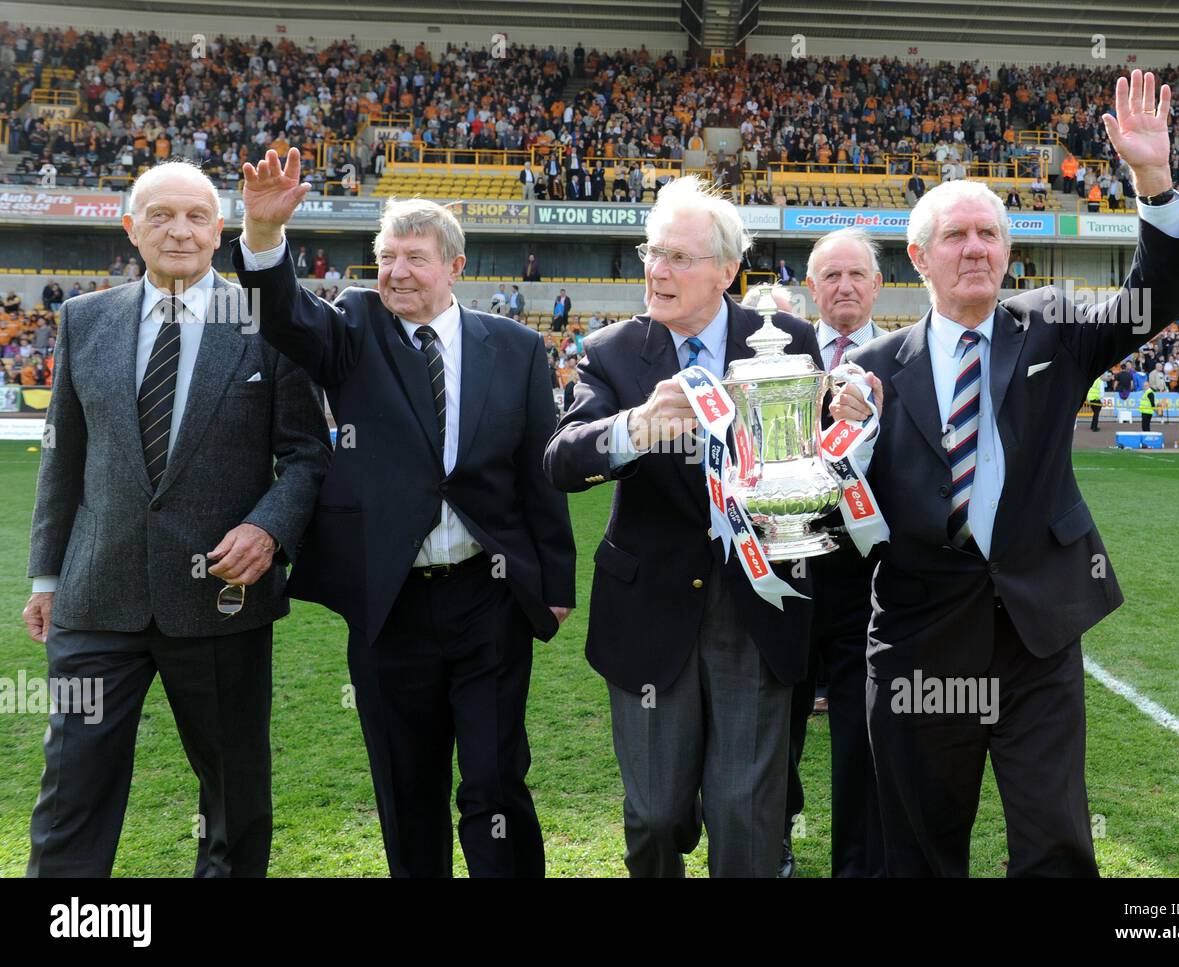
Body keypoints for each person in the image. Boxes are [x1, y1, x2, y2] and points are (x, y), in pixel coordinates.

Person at [835, 70, 1179, 877]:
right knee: (921, 853)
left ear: (1008, 250)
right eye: (957, 236)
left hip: (1037, 632)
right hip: (920, 641)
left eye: (989, 235)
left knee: (1056, 846)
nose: (975, 248)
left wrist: (1151, 180)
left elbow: (1157, 294)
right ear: (919, 257)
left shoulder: (1054, 324)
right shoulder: (867, 371)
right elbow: (838, 511)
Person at [234, 148, 576, 878]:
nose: (395, 272)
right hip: (390, 603)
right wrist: (263, 237)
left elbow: (537, 471)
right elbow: (284, 315)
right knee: (405, 784)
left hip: (488, 597)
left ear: (454, 267)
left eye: (414, 258)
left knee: (492, 780)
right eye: (386, 257)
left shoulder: (514, 348)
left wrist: (556, 580)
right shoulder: (353, 327)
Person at [23, 159, 331, 877]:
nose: (179, 230)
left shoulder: (267, 322)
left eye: (196, 215)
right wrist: (45, 576)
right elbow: (62, 458)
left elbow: (309, 456)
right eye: (160, 215)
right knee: (71, 794)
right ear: (131, 229)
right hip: (95, 596)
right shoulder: (82, 318)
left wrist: (269, 526)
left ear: (218, 229)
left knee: (233, 799)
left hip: (221, 601)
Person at [544, 176, 833, 877]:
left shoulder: (787, 341)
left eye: (676, 257)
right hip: (647, 612)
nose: (656, 270)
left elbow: (817, 459)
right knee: (655, 815)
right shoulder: (613, 351)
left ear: (726, 271)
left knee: (746, 816)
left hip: (757, 606)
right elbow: (562, 458)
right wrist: (635, 428)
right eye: (651, 252)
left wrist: (847, 423)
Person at [782, 227, 889, 879]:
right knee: (775, 729)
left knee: (861, 737)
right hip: (783, 570)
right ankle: (777, 844)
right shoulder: (777, 363)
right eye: (831, 276)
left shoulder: (905, 360)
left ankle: (860, 863)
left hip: (870, 578)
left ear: (878, 286)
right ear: (811, 288)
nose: (845, 286)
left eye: (857, 275)